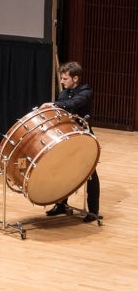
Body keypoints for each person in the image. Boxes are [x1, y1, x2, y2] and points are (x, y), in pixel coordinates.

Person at [45, 61, 100, 221]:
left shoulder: (86, 91)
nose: (61, 81)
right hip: (67, 138)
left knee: (90, 174)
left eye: (64, 78)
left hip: (83, 138)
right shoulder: (64, 93)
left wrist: (53, 104)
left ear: (75, 78)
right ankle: (61, 204)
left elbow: (74, 104)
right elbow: (62, 106)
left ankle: (93, 211)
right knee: (63, 170)